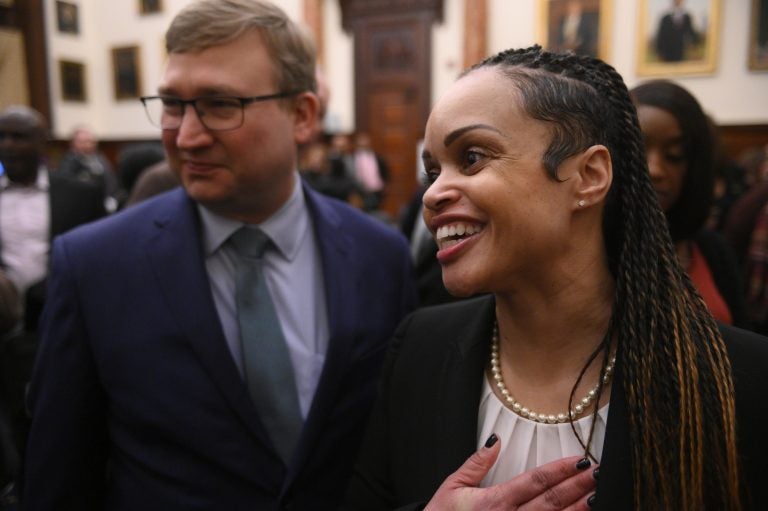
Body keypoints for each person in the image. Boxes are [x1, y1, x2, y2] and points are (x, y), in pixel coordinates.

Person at [22, 1, 416, 510]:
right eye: (171, 104)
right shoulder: (95, 266)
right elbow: (59, 479)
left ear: (302, 115)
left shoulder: (378, 257)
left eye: (219, 105)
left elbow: (401, 446)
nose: (186, 136)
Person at [344, 46, 768, 510]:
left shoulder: (737, 378)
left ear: (588, 175)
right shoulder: (419, 350)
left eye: (472, 158)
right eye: (433, 170)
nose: (434, 193)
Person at [630, 80, 747, 328]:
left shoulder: (712, 249)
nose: (655, 169)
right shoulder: (592, 251)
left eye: (675, 156)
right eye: (639, 150)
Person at [0, 106, 107, 332]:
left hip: (63, 321)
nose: (7, 145)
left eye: (19, 137)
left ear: (42, 142)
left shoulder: (80, 194)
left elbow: (101, 257)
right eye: (1, 137)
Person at [57, 125, 121, 212]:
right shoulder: (69, 161)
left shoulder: (99, 157)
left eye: (91, 142)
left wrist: (112, 197)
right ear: (73, 144)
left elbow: (111, 179)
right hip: (81, 206)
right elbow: (68, 185)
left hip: (105, 203)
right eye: (83, 142)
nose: (88, 145)